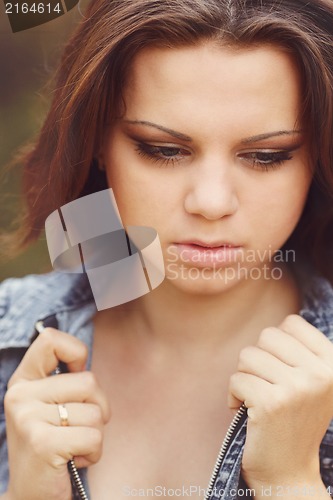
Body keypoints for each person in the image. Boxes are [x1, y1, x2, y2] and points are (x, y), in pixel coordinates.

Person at [1, 0, 333, 498]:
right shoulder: (10, 338)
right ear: (95, 141)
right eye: (163, 149)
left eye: (267, 156)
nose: (212, 202)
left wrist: (290, 482)